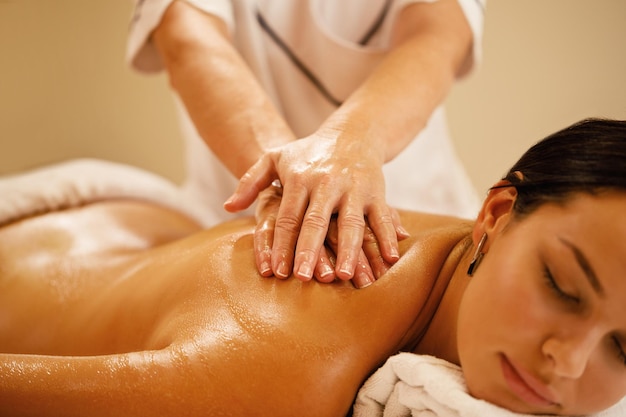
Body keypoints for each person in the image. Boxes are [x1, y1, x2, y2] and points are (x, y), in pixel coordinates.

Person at [2, 118, 626, 416]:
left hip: (140, 235)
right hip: (31, 255)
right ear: (495, 213)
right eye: (561, 287)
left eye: (624, 348)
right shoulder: (291, 361)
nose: (567, 361)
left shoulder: (440, 249)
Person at [126, 0, 485, 285]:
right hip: (238, 226)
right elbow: (187, 35)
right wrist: (288, 183)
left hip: (411, 228)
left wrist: (350, 146)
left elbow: (437, 35)